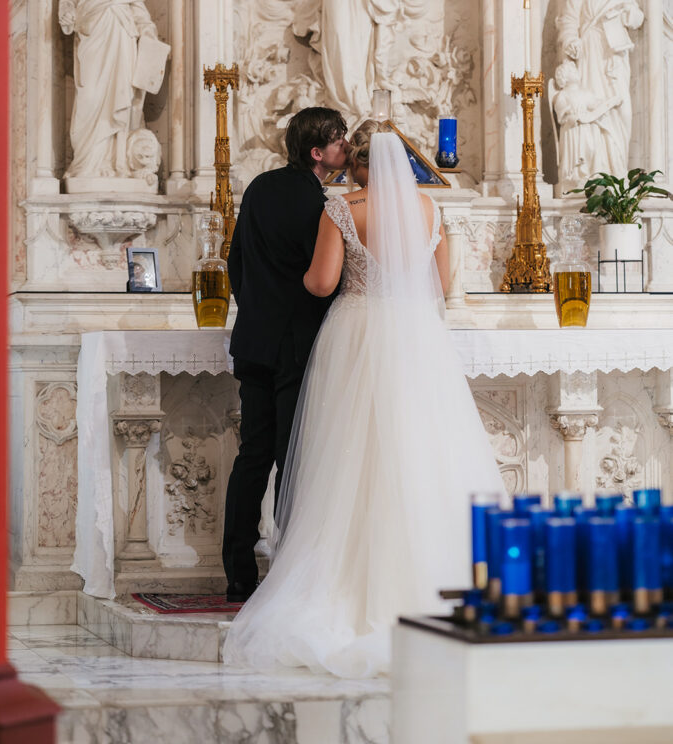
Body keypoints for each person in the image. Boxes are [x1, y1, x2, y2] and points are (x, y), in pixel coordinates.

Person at [223, 122, 505, 677]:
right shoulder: (431, 211)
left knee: (348, 458)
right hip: (416, 337)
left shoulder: (342, 209)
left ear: (356, 162)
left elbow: (322, 284)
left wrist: (307, 280)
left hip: (353, 335)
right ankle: (429, 580)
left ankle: (343, 582)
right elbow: (441, 283)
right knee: (419, 454)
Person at [223, 107, 348, 603]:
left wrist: (255, 310)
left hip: (253, 339)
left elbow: (236, 262)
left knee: (252, 456)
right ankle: (290, 575)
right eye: (339, 141)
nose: (346, 149)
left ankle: (237, 575)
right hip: (295, 345)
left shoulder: (259, 187)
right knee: (293, 460)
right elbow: (323, 280)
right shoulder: (318, 203)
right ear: (318, 152)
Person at [58, 0, 166, 180]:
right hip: (91, 48)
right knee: (89, 101)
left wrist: (150, 35)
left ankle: (118, 165)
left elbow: (140, 14)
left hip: (121, 47)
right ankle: (86, 165)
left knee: (120, 103)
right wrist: (68, 16)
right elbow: (66, 5)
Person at [555, 0, 643, 179]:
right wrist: (571, 41)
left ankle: (618, 168)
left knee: (621, 108)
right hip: (591, 53)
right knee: (593, 107)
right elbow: (569, 20)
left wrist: (628, 14)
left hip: (615, 55)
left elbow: (638, 17)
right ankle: (595, 168)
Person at [549, 58, 622, 194]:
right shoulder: (562, 95)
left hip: (589, 130)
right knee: (578, 155)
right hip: (574, 131)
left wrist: (611, 101)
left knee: (593, 149)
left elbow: (597, 106)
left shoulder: (586, 93)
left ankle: (592, 175)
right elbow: (561, 116)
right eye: (571, 70)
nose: (576, 72)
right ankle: (576, 176)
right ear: (563, 76)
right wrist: (572, 118)